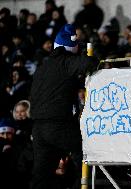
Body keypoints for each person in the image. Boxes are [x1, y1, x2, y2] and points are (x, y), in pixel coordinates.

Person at [30, 24, 98, 189]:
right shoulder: (66, 62)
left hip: (38, 128)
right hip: (58, 125)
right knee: (89, 154)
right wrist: (85, 54)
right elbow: (90, 63)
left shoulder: (43, 66)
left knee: (41, 175)